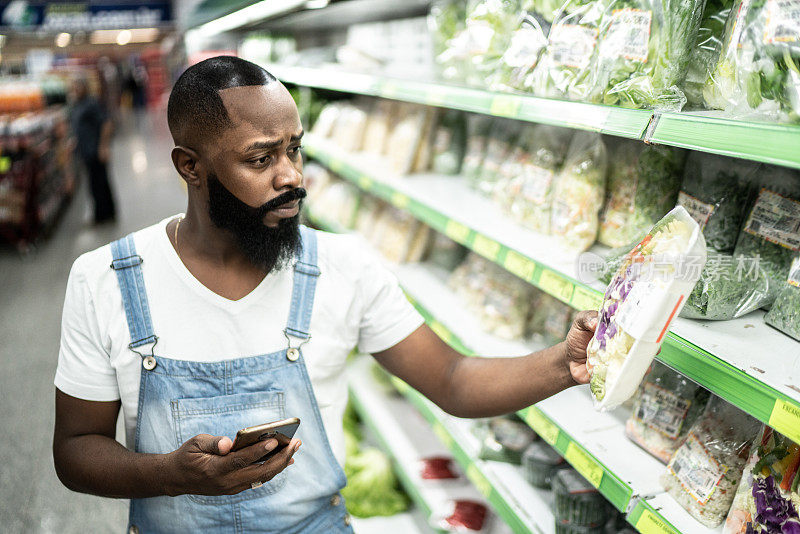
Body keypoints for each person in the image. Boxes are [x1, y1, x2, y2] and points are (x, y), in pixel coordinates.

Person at [52, 57, 597, 534]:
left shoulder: (344, 267)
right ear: (190, 167)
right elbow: (76, 449)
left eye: (295, 149)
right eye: (261, 159)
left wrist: (562, 363)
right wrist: (169, 475)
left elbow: (453, 382)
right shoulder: (105, 279)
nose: (292, 176)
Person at [69, 76, 117, 224]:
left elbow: (106, 123)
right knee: (95, 183)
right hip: (86, 152)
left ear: (85, 87)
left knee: (100, 183)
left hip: (95, 150)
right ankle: (103, 214)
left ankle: (104, 215)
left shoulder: (92, 103)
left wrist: (103, 146)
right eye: (74, 87)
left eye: (78, 86)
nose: (75, 90)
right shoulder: (78, 105)